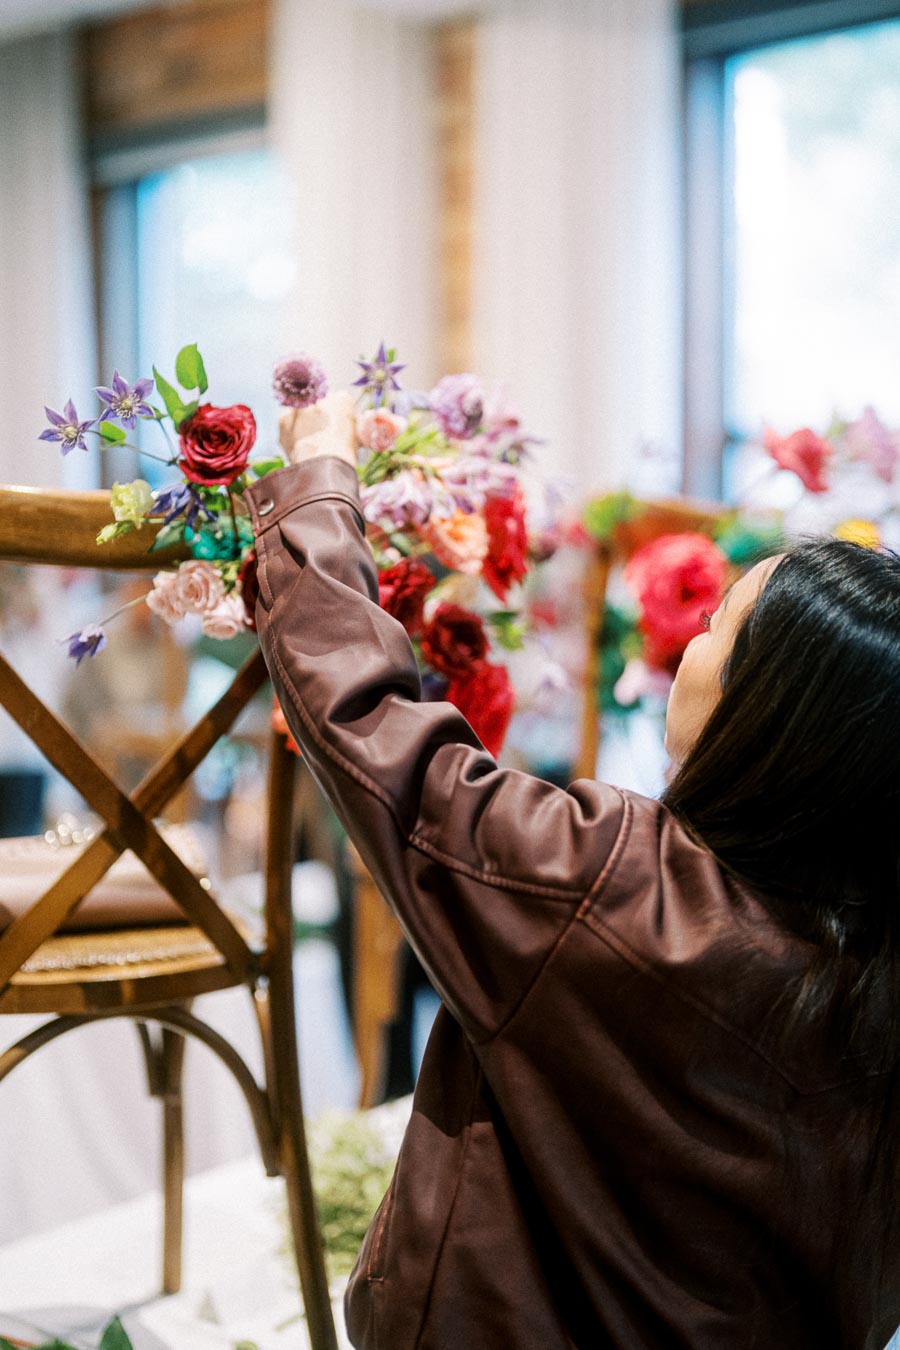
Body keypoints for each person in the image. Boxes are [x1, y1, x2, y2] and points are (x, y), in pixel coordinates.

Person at [247, 392, 900, 1350]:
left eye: (715, 623)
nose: (683, 647)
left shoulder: (613, 886)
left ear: (769, 712)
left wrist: (317, 485)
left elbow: (375, 735)